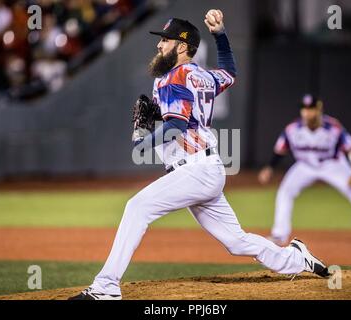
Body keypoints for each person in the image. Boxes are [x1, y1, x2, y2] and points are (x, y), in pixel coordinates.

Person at [69, 10, 329, 301]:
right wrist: (220, 34)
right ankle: (296, 257)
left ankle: (106, 288)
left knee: (136, 208)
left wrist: (141, 142)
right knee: (236, 242)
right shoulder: (202, 75)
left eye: (166, 41)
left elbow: (177, 125)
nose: (159, 45)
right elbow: (229, 72)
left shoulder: (172, 78)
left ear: (181, 46)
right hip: (206, 169)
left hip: (195, 171)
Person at [258, 94, 351, 246]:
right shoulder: (292, 129)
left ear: (319, 110)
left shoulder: (333, 127)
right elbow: (280, 150)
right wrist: (269, 168)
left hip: (333, 165)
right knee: (285, 191)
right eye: (305, 109)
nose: (308, 112)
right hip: (305, 166)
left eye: (311, 109)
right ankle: (279, 235)